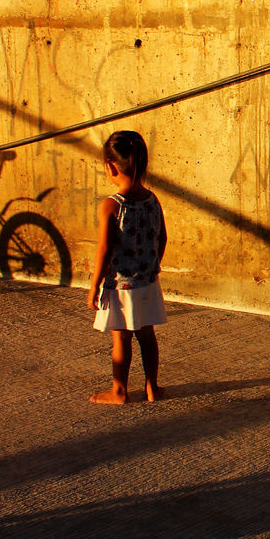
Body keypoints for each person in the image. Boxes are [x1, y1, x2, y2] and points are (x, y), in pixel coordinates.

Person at [87, 130, 168, 404]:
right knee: (147, 336)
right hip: (147, 281)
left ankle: (119, 391)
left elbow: (104, 249)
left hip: (120, 285)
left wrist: (94, 285)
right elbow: (162, 237)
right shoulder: (152, 199)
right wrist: (152, 265)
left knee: (120, 339)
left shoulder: (111, 206)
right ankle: (152, 387)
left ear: (111, 166)